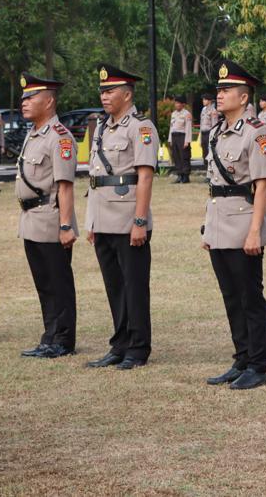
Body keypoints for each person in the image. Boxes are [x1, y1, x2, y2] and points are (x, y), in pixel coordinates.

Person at [202, 60, 266, 390]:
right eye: (218, 89)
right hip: (220, 224)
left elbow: (261, 185)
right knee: (230, 296)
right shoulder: (217, 131)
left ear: (244, 97)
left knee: (250, 296)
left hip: (244, 224)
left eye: (226, 89)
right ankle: (241, 358)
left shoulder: (256, 132)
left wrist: (255, 231)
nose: (220, 94)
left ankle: (257, 365)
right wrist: (207, 228)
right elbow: (214, 185)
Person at [85, 64, 159, 370]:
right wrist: (90, 221)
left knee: (134, 285)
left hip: (128, 218)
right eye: (102, 91)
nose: (104, 96)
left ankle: (138, 347)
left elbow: (144, 177)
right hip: (103, 218)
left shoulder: (141, 128)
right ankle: (120, 343)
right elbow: (95, 177)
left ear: (127, 95)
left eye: (110, 91)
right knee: (114, 285)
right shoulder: (102, 127)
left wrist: (139, 222)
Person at [16, 74, 79, 360]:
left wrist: (65, 225)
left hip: (52, 219)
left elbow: (65, 186)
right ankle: (49, 336)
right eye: (24, 98)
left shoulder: (60, 137)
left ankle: (63, 339)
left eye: (31, 97)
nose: (24, 102)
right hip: (31, 218)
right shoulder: (33, 133)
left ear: (49, 101)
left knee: (58, 282)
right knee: (43, 282)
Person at [169, 95, 193, 184]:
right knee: (176, 156)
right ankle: (179, 175)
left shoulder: (186, 114)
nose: (176, 105)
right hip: (174, 136)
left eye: (178, 103)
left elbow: (188, 128)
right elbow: (171, 127)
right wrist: (170, 139)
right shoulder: (173, 114)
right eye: (175, 103)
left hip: (182, 136)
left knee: (184, 156)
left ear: (183, 104)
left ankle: (186, 176)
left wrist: (187, 140)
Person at [199, 92, 218, 172]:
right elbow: (201, 124)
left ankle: (211, 172)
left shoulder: (213, 111)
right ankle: (206, 171)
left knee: (210, 153)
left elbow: (214, 125)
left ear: (209, 101)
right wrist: (200, 138)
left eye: (205, 99)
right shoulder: (203, 110)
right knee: (204, 153)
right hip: (203, 134)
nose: (203, 101)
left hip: (210, 134)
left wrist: (213, 137)